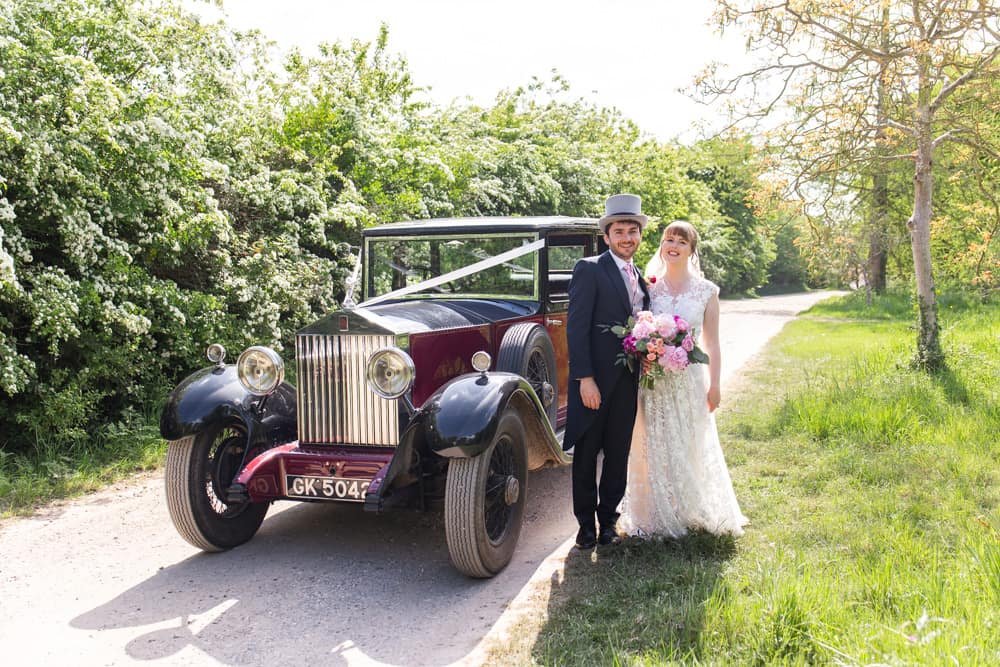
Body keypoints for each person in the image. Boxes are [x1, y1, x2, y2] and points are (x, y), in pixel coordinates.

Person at [619, 221, 749, 538]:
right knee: (655, 444)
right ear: (662, 246)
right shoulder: (648, 288)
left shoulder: (707, 292)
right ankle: (654, 516)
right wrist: (646, 350)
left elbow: (713, 343)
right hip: (655, 382)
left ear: (692, 250)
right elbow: (639, 331)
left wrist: (715, 385)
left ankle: (689, 510)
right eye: (668, 239)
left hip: (689, 379)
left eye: (681, 241)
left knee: (689, 442)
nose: (673, 245)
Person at [565, 193, 650, 549]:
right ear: (607, 235)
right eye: (620, 231)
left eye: (633, 231)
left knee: (618, 455)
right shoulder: (590, 268)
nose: (627, 237)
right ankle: (585, 527)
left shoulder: (640, 276)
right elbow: (577, 326)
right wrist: (585, 379)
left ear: (639, 235)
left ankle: (609, 523)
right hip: (594, 382)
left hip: (628, 382)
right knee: (586, 456)